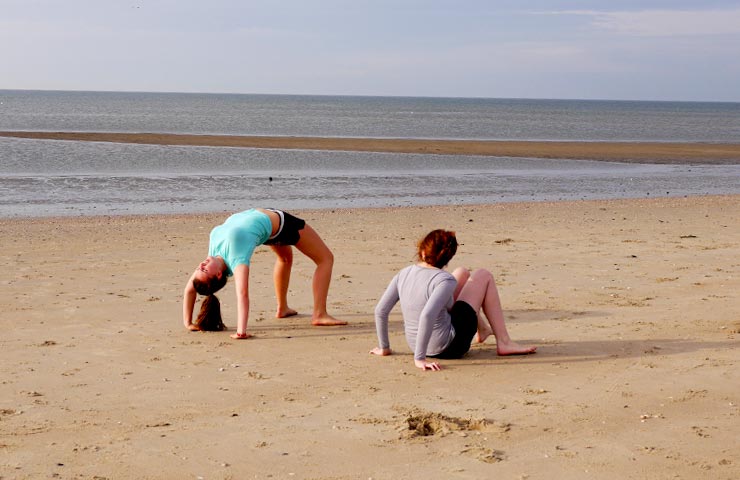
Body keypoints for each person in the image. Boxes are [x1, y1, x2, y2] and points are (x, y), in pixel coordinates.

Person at [371, 229, 536, 371]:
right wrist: (419, 359)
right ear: (447, 257)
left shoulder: (404, 273)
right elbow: (427, 315)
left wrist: (384, 347)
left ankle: (484, 329)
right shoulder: (444, 279)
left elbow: (381, 310)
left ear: (422, 252)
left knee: (462, 272)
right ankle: (504, 342)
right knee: (483, 275)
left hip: (415, 344)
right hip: (449, 348)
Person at [183, 208, 346, 339]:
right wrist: (241, 331)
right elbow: (243, 294)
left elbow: (190, 289)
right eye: (203, 269)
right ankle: (319, 314)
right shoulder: (236, 258)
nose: (201, 264)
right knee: (326, 259)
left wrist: (188, 322)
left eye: (199, 268)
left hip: (267, 233)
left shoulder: (212, 255)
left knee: (285, 258)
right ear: (219, 275)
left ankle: (282, 308)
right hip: (282, 225)